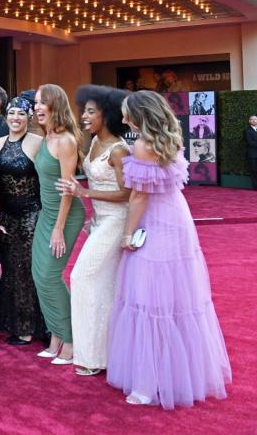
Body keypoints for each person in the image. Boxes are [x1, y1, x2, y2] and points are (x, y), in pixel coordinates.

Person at [107, 91, 231, 408]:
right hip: (178, 220)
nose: (123, 119)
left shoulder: (142, 145)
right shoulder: (170, 138)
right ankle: (177, 374)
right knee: (175, 299)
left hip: (157, 226)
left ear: (140, 114)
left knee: (149, 300)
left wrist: (127, 234)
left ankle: (149, 383)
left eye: (125, 114)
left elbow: (139, 197)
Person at [54, 86, 131, 375]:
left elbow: (128, 194)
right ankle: (104, 356)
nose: (84, 116)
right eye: (83, 110)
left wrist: (84, 195)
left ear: (106, 115)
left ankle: (92, 355)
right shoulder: (94, 142)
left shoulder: (119, 149)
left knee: (81, 276)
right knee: (103, 286)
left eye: (90, 111)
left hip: (115, 221)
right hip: (98, 221)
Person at [32, 84, 86, 365]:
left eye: (44, 103)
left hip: (64, 216)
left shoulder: (66, 140)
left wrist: (58, 228)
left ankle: (72, 339)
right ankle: (55, 336)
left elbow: (68, 188)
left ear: (56, 106)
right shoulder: (46, 136)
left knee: (51, 277)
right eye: (36, 103)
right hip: (46, 214)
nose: (37, 107)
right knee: (39, 276)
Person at [0, 96, 47, 345]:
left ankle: (29, 327)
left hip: (31, 214)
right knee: (9, 268)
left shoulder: (38, 142)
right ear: (5, 116)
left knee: (26, 269)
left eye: (21, 114)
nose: (15, 118)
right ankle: (10, 320)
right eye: (11, 113)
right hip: (5, 216)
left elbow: (48, 182)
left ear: (29, 117)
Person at [245, 115, 257, 189]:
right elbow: (250, 143)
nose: (254, 120)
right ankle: (255, 187)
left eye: (255, 119)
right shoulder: (247, 131)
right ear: (249, 121)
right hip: (252, 155)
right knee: (254, 171)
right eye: (252, 119)